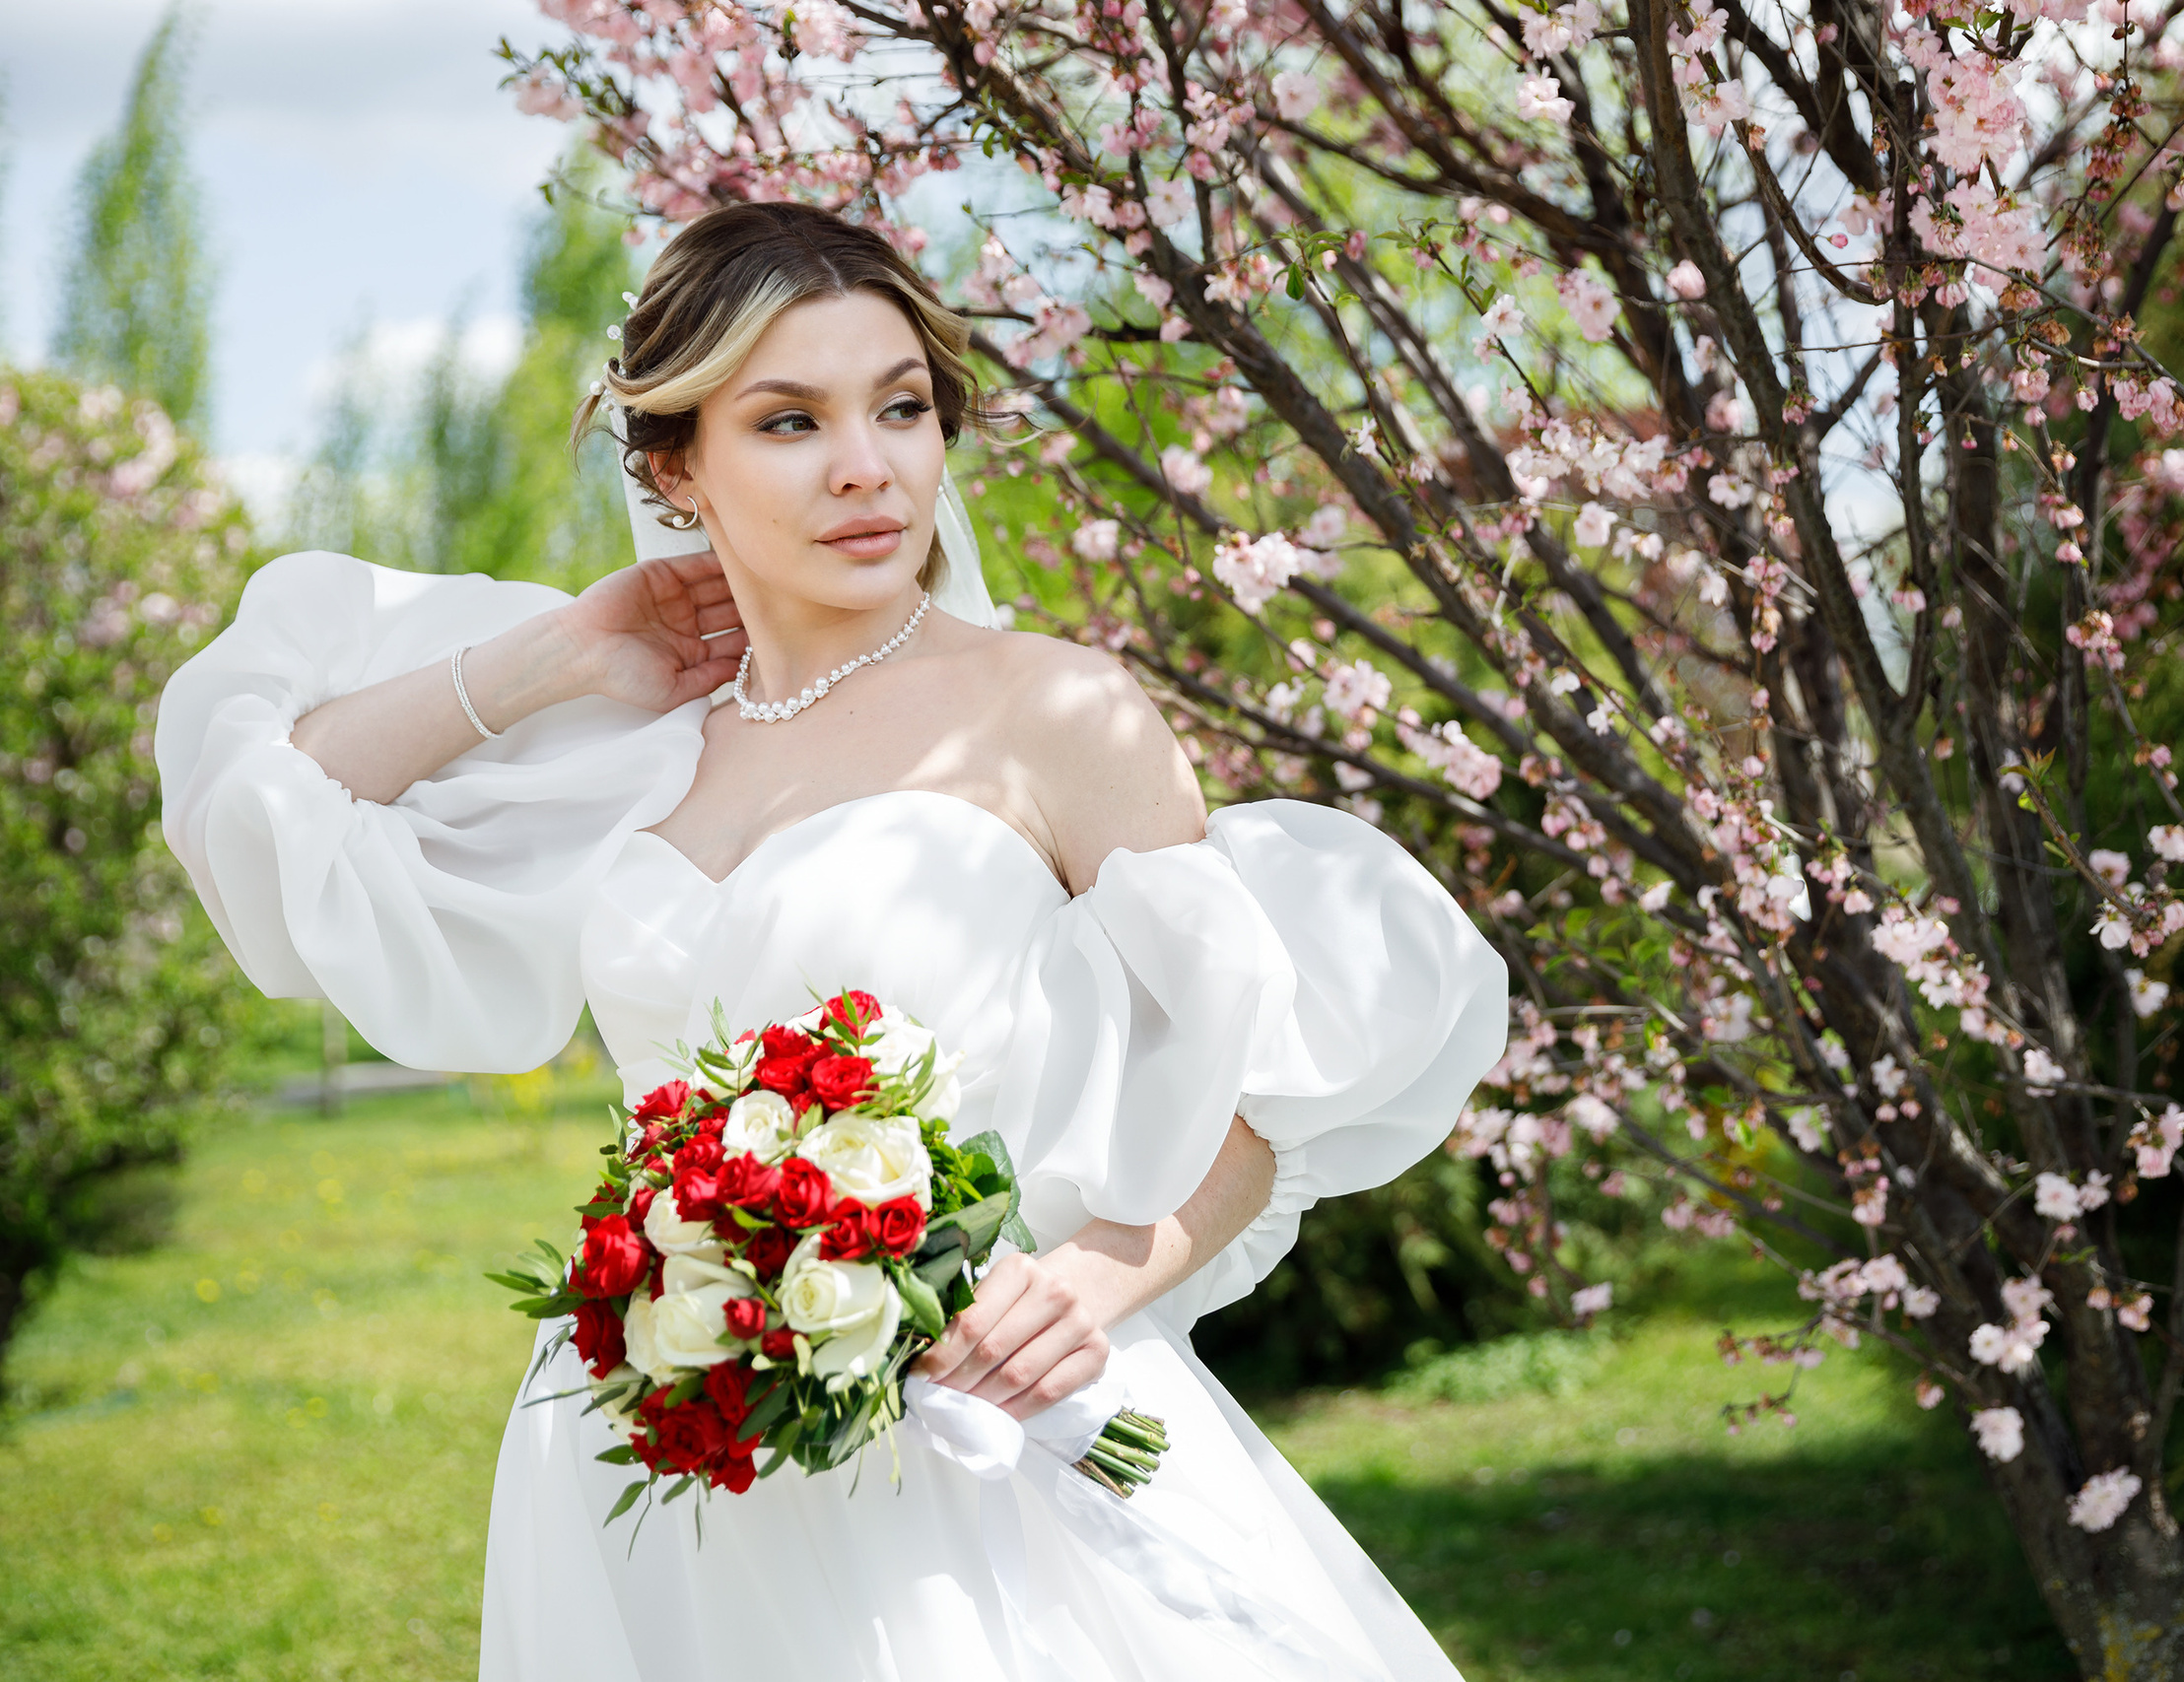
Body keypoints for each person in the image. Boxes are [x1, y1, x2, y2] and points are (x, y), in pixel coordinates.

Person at [156, 201, 1505, 1681]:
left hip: (985, 1423)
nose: (868, 466)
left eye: (903, 407)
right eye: (789, 420)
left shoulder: (1053, 710)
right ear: (678, 467)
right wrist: (556, 654)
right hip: (671, 1452)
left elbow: (1259, 1068)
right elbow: (274, 808)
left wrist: (1111, 1267)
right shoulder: (639, 739)